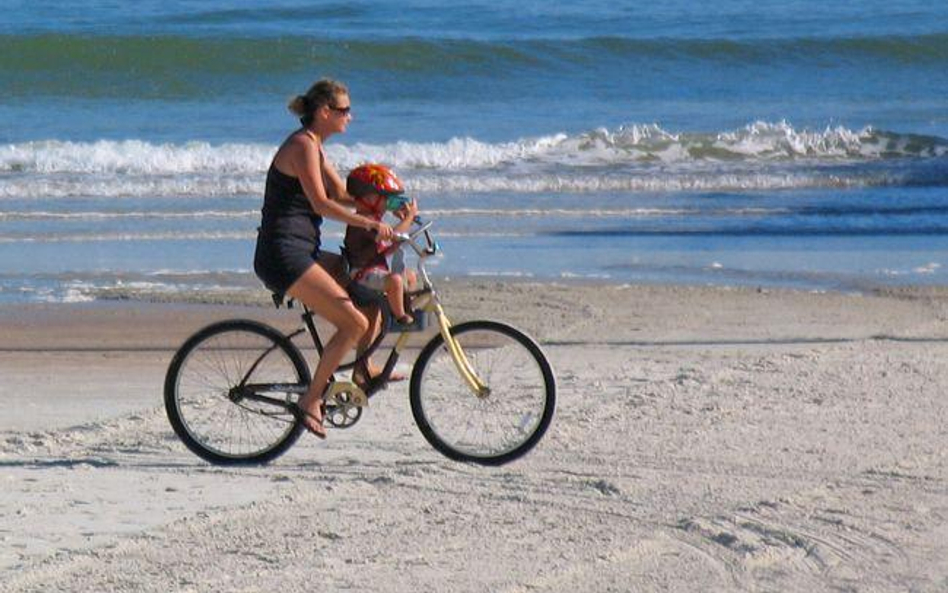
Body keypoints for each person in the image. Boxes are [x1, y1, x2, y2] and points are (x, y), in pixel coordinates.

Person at [253, 79, 393, 439]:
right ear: (325, 112)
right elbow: (322, 204)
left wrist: (390, 203)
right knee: (353, 324)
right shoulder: (301, 146)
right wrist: (368, 224)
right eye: (345, 110)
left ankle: (363, 370)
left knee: (368, 289)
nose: (351, 116)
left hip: (303, 250)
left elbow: (343, 195)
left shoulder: (315, 147)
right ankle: (311, 400)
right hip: (283, 255)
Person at [344, 164, 420, 327]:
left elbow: (387, 245)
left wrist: (404, 225)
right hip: (362, 274)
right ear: (370, 198)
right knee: (395, 280)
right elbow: (392, 235)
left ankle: (407, 307)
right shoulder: (363, 222)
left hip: (376, 268)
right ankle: (399, 316)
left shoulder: (374, 220)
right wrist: (408, 218)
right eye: (385, 198)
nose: (388, 203)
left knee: (410, 275)